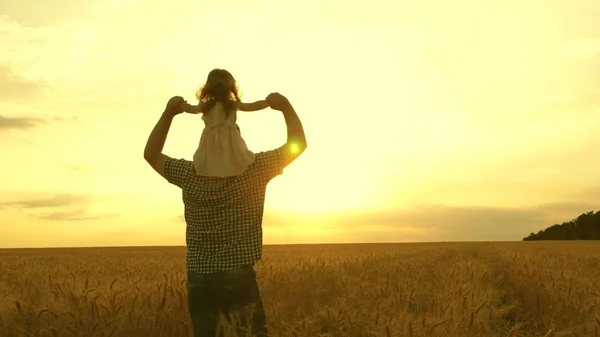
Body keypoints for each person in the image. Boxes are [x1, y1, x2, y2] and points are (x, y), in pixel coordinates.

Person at [143, 89, 307, 337]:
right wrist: (286, 107)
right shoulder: (255, 170)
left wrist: (169, 113)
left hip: (199, 278)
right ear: (237, 138)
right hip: (238, 276)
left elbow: (151, 154)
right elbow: (298, 144)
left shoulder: (188, 175)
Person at [180, 69, 270, 177]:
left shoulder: (210, 105)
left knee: (215, 159)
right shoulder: (224, 104)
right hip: (228, 137)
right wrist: (267, 102)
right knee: (231, 157)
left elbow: (192, 109)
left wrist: (181, 105)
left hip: (214, 138)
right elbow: (250, 106)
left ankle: (219, 175)